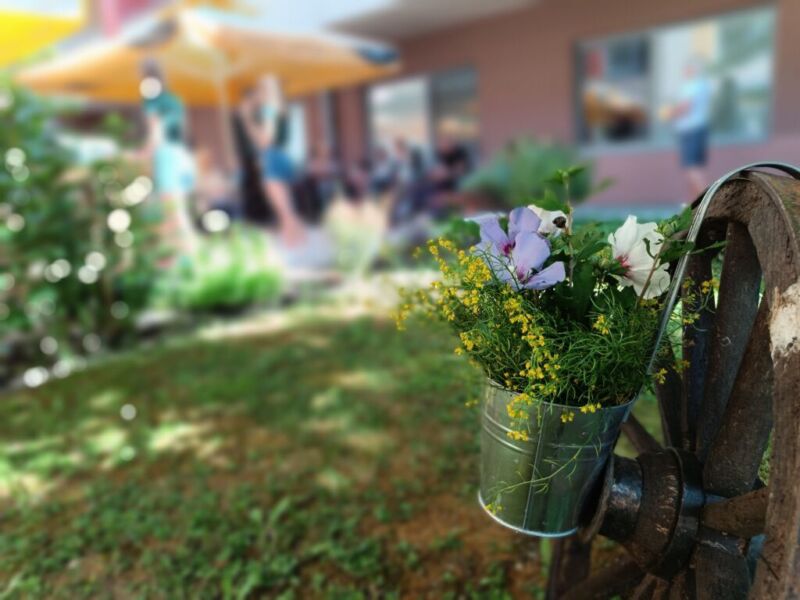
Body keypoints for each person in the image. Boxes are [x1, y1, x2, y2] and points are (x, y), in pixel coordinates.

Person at [138, 59, 197, 257]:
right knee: (175, 212)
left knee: (173, 213)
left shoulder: (151, 101)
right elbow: (184, 132)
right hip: (182, 156)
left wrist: (144, 153)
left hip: (166, 157)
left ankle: (189, 258)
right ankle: (180, 257)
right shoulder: (175, 100)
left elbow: (156, 132)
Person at [239, 75, 304, 245]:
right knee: (285, 205)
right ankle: (295, 237)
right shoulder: (279, 106)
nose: (258, 93)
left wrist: (247, 118)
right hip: (280, 156)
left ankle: (292, 239)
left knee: (283, 206)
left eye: (260, 89)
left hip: (273, 157)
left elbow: (265, 139)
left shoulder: (269, 108)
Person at [664, 57, 713, 199]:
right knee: (694, 170)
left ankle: (710, 201)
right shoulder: (701, 85)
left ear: (693, 69)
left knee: (692, 170)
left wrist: (669, 113)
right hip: (697, 130)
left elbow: (686, 106)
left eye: (687, 68)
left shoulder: (693, 85)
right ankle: (695, 205)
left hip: (691, 131)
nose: (684, 71)